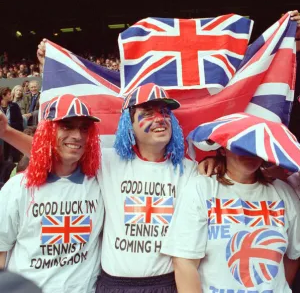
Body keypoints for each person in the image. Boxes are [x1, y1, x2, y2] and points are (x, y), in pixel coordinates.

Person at [0, 83, 198, 293]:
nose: (160, 118)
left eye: (165, 112)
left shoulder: (191, 171)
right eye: (148, 112)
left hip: (161, 283)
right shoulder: (109, 163)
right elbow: (54, 151)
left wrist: (217, 163)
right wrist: (7, 132)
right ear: (129, 123)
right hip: (112, 285)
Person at [161, 116, 300, 293]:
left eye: (256, 148)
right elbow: (184, 262)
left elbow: (294, 254)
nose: (250, 154)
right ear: (223, 149)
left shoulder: (283, 192)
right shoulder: (202, 188)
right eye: (241, 147)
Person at [0, 94, 105, 293]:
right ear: (48, 131)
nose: (78, 135)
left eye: (84, 128)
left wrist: (6, 132)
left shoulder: (100, 181)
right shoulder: (18, 187)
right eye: (66, 126)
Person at [0, 87, 23, 162]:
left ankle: (14, 162)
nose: (11, 95)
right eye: (9, 94)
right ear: (3, 96)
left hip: (12, 131)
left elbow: (20, 121)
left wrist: (9, 126)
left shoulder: (14, 106)